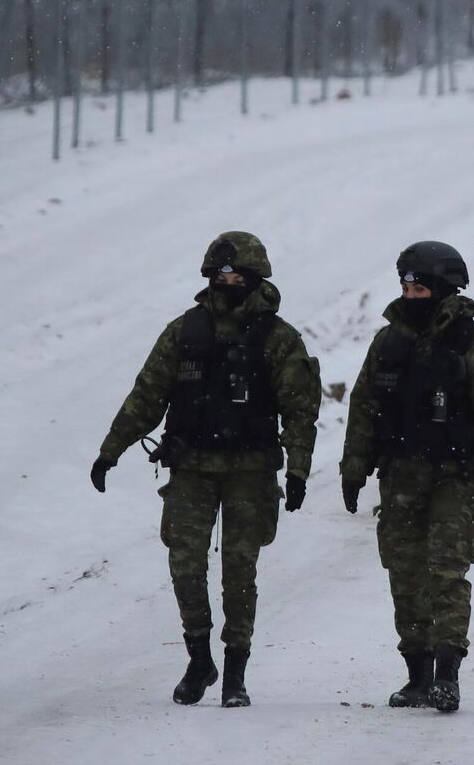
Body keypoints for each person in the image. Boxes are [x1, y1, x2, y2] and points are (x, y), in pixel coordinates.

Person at [89, 231, 321, 708]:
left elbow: (300, 409)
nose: (228, 281)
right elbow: (147, 395)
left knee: (240, 569)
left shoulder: (279, 338)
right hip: (192, 467)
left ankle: (235, 670)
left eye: (237, 275)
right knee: (185, 564)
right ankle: (199, 658)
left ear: (256, 279)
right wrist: (111, 450)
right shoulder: (185, 333)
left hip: (250, 471)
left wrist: (298, 469)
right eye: (221, 274)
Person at [339, 241, 474, 713]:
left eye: (418, 286)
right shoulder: (389, 342)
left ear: (441, 288)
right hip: (400, 478)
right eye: (405, 285)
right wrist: (353, 469)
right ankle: (416, 675)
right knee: (404, 573)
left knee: (446, 572)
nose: (410, 293)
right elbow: (364, 408)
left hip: (455, 478)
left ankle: (446, 674)